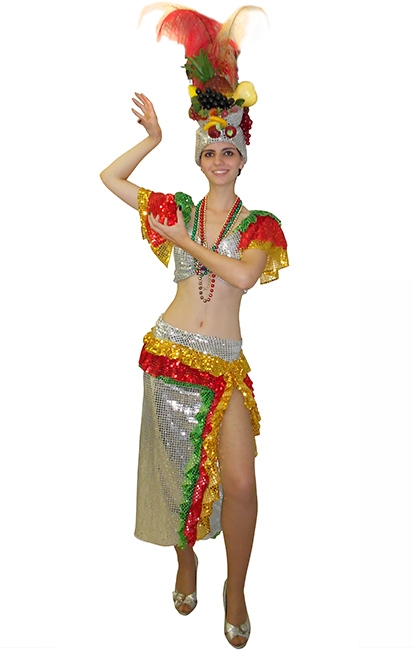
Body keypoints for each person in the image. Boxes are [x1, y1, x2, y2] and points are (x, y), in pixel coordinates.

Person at [100, 6, 288, 648]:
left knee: (241, 484)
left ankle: (236, 586)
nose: (219, 159)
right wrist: (152, 138)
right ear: (199, 156)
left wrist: (184, 241)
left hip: (223, 363)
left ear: (242, 157)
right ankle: (185, 561)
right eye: (209, 150)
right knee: (176, 476)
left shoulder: (260, 225)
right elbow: (111, 178)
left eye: (229, 150)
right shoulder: (176, 207)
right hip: (169, 353)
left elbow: (242, 277)